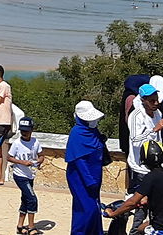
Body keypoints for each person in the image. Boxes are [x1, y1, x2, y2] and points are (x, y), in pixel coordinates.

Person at [105, 140, 163, 235]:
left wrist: (113, 213)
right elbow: (161, 194)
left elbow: (132, 202)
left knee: (139, 230)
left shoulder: (151, 177)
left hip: (161, 228)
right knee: (141, 228)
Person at [127, 83, 163, 234]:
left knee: (156, 203)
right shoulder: (136, 116)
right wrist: (153, 130)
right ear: (143, 100)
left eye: (157, 100)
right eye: (152, 101)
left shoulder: (157, 114)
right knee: (141, 204)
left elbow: (158, 140)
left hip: (155, 166)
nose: (156, 103)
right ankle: (135, 231)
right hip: (140, 168)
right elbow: (136, 140)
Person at [66, 100, 107, 235]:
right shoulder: (77, 133)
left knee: (95, 208)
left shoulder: (93, 131)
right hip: (81, 177)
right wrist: (89, 181)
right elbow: (79, 160)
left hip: (95, 175)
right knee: (86, 209)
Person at [8, 117, 44, 234]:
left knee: (25, 199)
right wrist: (22, 162)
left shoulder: (35, 142)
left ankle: (20, 225)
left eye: (26, 131)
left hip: (30, 174)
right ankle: (31, 226)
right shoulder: (17, 143)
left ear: (32, 130)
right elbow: (9, 157)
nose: (24, 133)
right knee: (32, 199)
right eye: (22, 131)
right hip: (20, 175)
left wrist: (39, 161)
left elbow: (41, 155)